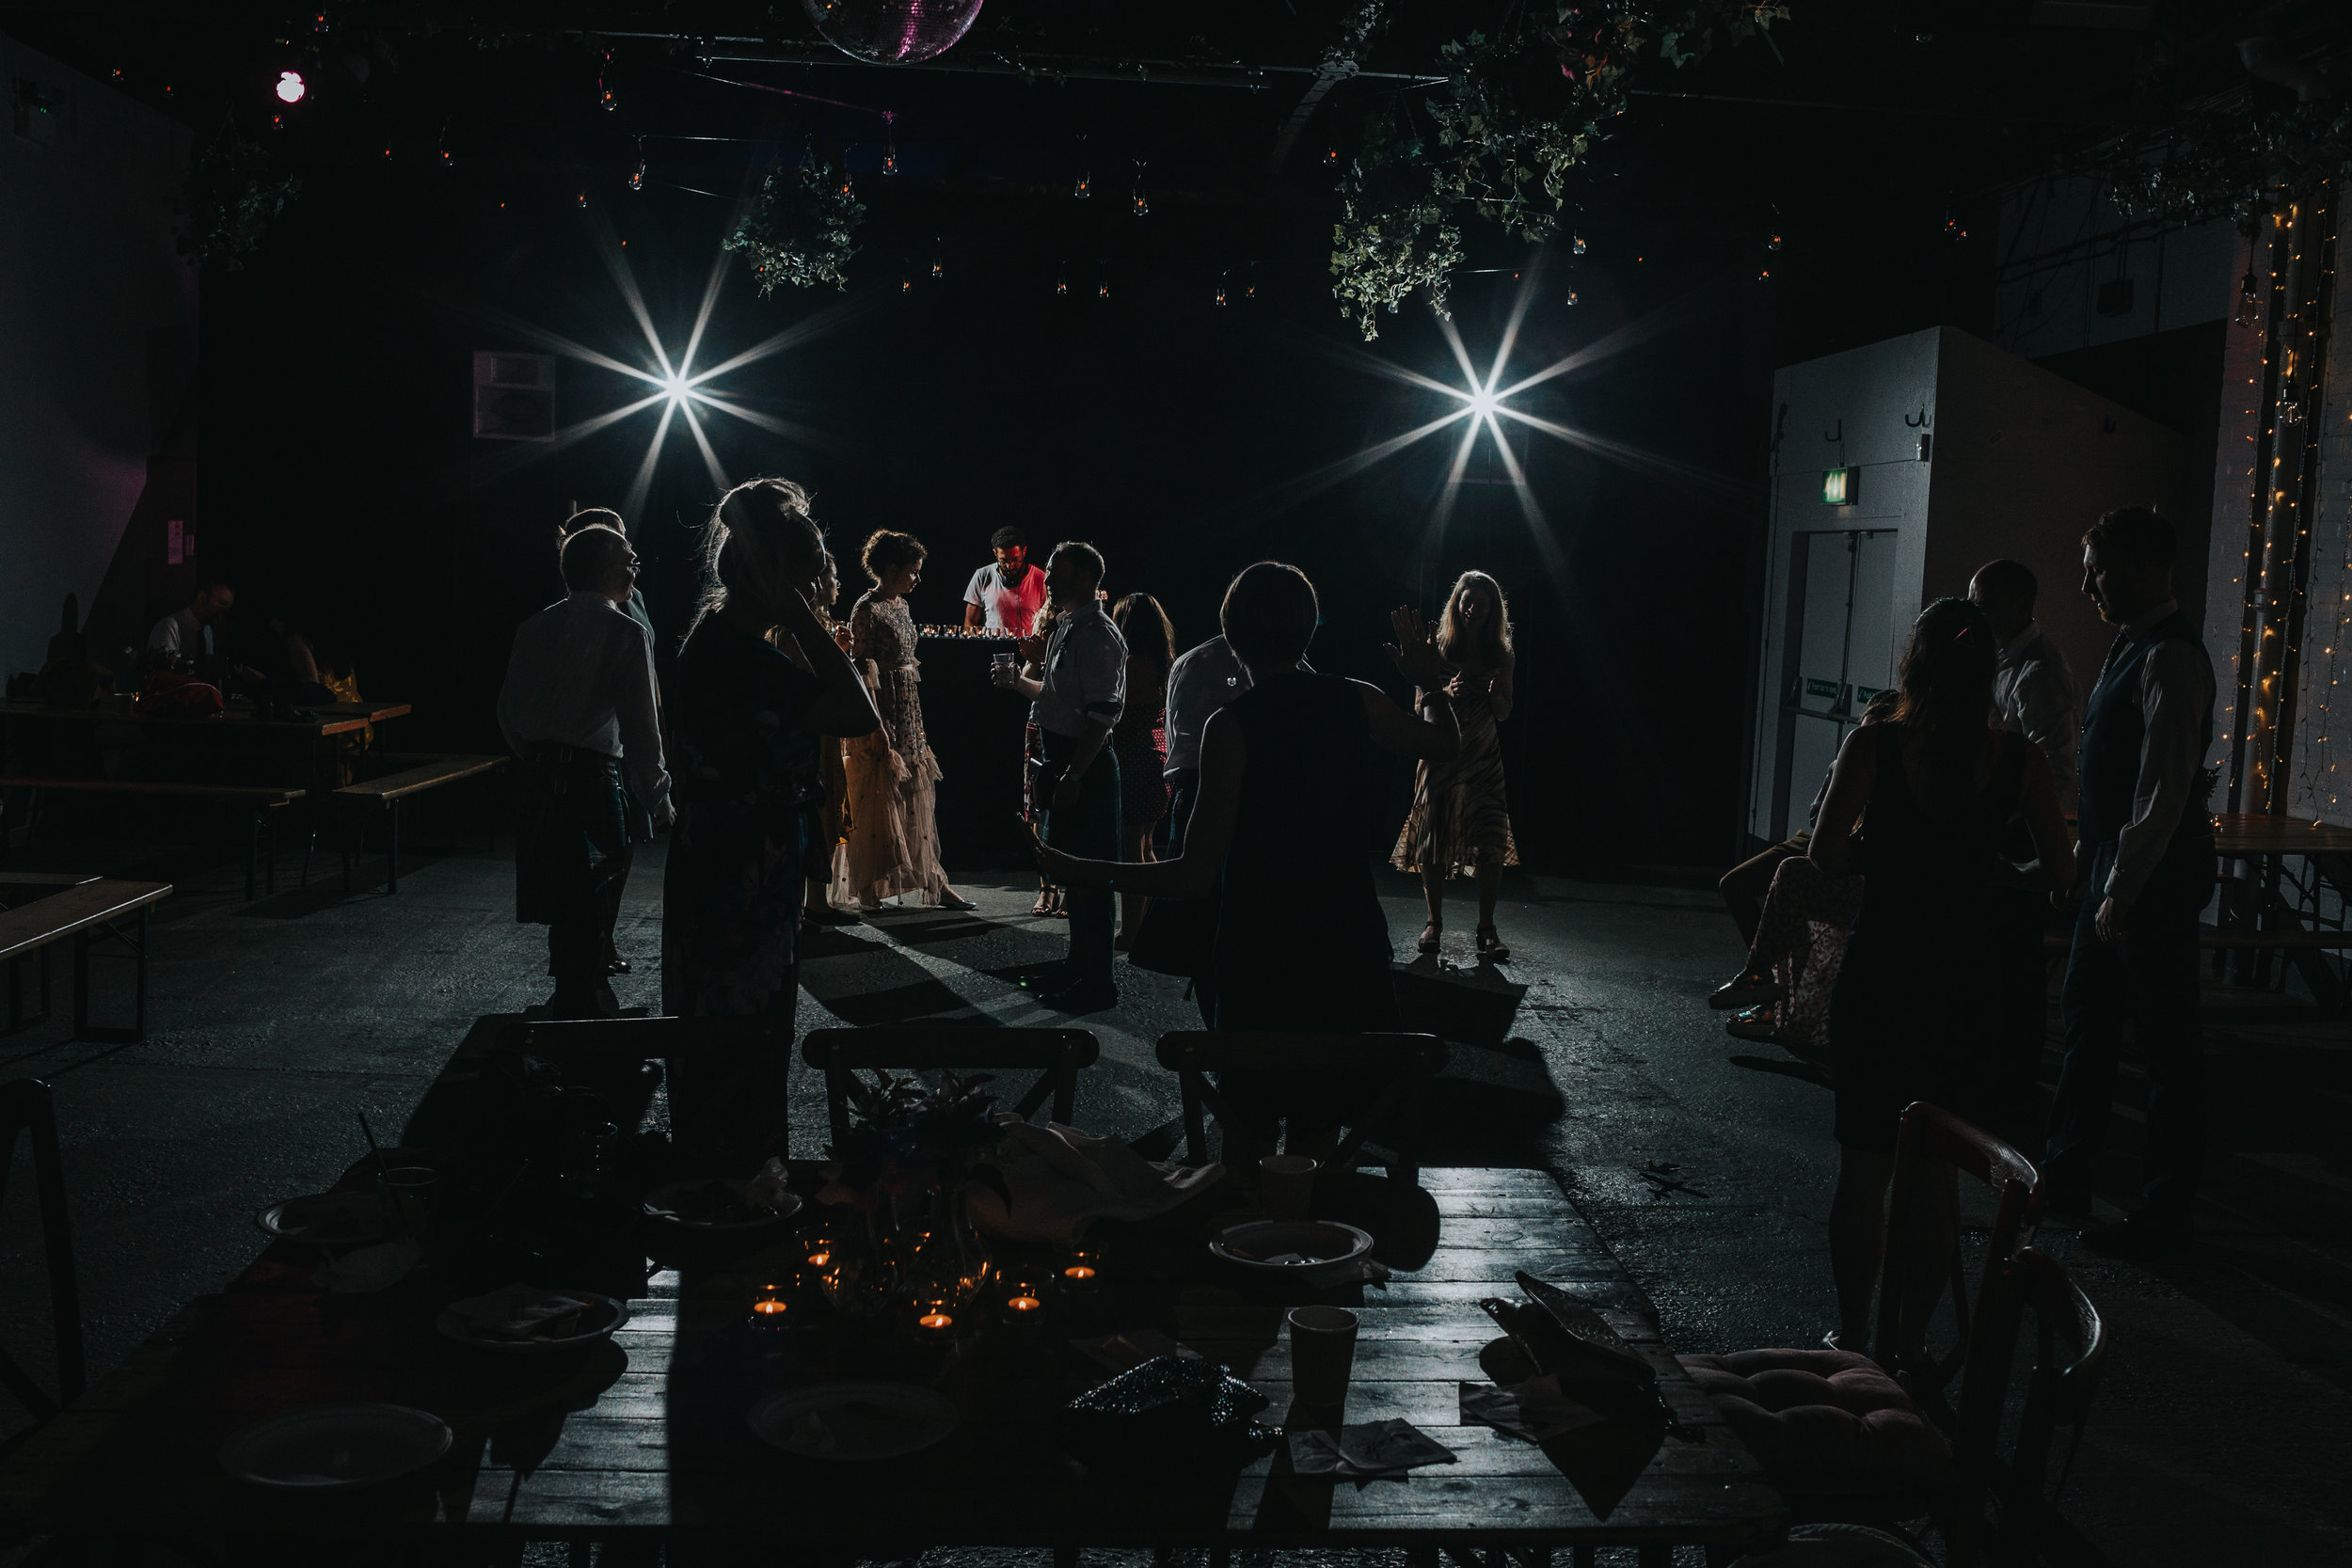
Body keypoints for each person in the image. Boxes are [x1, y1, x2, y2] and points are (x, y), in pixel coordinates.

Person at [1025, 563, 1459, 1150]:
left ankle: (1244, 1236)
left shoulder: (1231, 726)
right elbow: (1444, 744)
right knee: (1321, 1130)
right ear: (1309, 629)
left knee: (1246, 1128)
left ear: (1231, 636)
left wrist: (1078, 868)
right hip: (1344, 936)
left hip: (1261, 947)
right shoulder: (1358, 701)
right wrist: (1430, 682)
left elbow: (1193, 872)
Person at [1809, 597, 2070, 1350]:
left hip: (1881, 973)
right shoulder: (2017, 759)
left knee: (1862, 1171)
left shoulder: (1875, 746)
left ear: (1912, 664)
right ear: (1989, 672)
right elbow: (2057, 872)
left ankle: (1853, 1336)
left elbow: (1823, 856)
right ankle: (1909, 1347)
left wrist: (1886, 854)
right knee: (1937, 1182)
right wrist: (1991, 869)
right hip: (1963, 985)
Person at [662, 480, 881, 1139]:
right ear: (773, 578)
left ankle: (729, 1176)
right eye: (808, 582)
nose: (818, 594)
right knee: (741, 1039)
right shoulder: (740, 656)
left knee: (734, 1035)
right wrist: (805, 620)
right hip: (740, 872)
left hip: (731, 861)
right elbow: (856, 714)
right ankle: (737, 1186)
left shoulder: (726, 638)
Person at [2043, 507, 2216, 1256]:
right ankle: (2064, 1180)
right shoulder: (2132, 645)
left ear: (2146, 567)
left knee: (2165, 1049)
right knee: (2087, 1025)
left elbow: (2163, 789)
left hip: (2148, 882)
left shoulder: (2169, 656)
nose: (2086, 585)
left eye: (2098, 569)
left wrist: (2120, 886)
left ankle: (2162, 1214)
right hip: (2113, 871)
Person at [496, 526, 673, 1020]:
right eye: (627, 557)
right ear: (604, 569)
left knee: (563, 901)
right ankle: (580, 1024)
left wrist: (537, 758)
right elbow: (642, 730)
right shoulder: (624, 631)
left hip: (539, 774)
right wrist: (659, 800)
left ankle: (572, 1006)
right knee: (592, 900)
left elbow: (508, 712)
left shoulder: (533, 626)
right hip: (593, 777)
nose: (636, 563)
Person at [1968, 558, 2080, 1124]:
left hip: (2016, 830)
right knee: (1998, 960)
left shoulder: (2036, 672)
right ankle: (1998, 1075)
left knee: (2015, 963)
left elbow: (2056, 772)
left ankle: (2012, 1086)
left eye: (1983, 605)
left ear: (2017, 607)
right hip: (2003, 823)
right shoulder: (2004, 661)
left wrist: (2015, 822)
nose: (1975, 615)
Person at [993, 542, 1126, 1012]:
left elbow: (1102, 714)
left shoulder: (1099, 634)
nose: (1049, 581)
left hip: (1082, 763)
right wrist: (1017, 684)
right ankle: (1078, 967)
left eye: (1059, 573)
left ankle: (1099, 982)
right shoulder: (1070, 626)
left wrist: (1074, 775)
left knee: (1092, 878)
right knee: (1075, 876)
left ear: (1088, 577)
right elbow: (1054, 696)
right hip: (1063, 759)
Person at [834, 530, 975, 911]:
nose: (917, 578)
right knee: (879, 795)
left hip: (908, 709)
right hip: (882, 710)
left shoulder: (901, 606)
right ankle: (867, 886)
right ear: (891, 569)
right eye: (913, 571)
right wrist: (876, 723)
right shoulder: (866, 609)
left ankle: (933, 879)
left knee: (916, 793)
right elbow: (862, 670)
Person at [1392, 570, 1520, 962]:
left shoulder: (1502, 655)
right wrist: (1447, 691)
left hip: (1482, 754)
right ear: (1457, 603)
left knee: (1490, 838)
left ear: (1492, 611)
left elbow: (1505, 712)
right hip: (1440, 751)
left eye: (1482, 604)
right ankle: (1434, 922)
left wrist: (1492, 693)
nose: (1473, 608)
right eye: (1468, 600)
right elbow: (1418, 707)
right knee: (1434, 835)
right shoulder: (1438, 648)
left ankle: (1487, 928)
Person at [560, 508, 660, 975]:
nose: (631, 557)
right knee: (594, 851)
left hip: (628, 732)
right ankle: (588, 944)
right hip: (601, 739)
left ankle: (603, 936)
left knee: (622, 848)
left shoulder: (632, 597)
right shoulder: (582, 604)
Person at [776, 551, 858, 927]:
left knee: (824, 808)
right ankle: (809, 902)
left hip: (821, 730)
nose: (835, 585)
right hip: (806, 730)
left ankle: (817, 898)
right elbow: (804, 678)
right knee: (813, 807)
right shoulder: (792, 628)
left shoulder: (817, 622)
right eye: (831, 578)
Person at [1110, 592, 1175, 947]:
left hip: (1134, 759)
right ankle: (1146, 926)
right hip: (1157, 758)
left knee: (1132, 852)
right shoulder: (1164, 661)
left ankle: (1131, 931)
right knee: (1147, 846)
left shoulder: (1130, 664)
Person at [962, 525, 1049, 637]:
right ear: (995, 553)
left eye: (1015, 559)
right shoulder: (982, 576)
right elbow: (970, 621)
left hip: (1029, 650)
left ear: (1024, 551)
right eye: (1004, 561)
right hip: (992, 647)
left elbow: (1049, 620)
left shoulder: (1041, 579)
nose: (1010, 566)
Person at [146, 578, 235, 670]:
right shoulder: (170, 627)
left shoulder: (208, 633)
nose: (225, 612)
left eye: (228, 607)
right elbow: (164, 673)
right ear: (202, 598)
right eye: (222, 603)